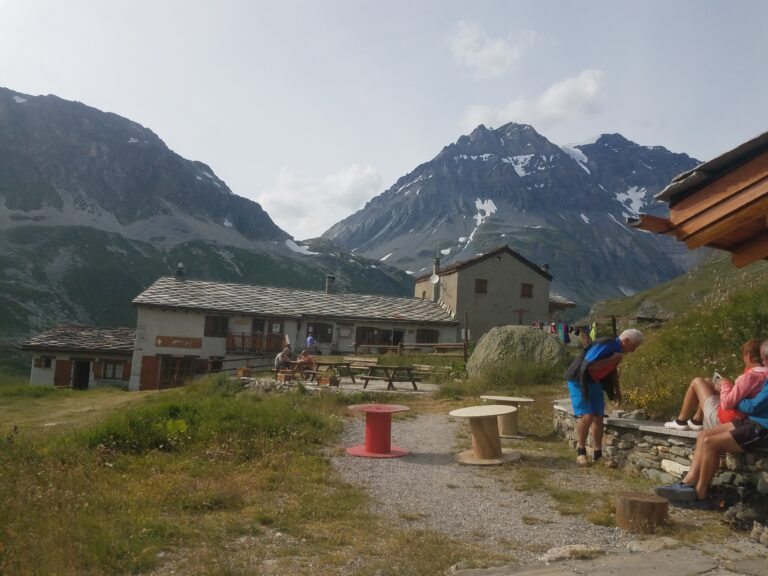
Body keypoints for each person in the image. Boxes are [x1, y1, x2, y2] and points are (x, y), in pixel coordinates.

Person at [654, 353, 768, 508]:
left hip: (761, 427)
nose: (763, 361)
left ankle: (701, 494)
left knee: (710, 443)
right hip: (750, 420)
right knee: (703, 435)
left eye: (765, 358)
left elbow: (754, 405)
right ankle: (688, 483)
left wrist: (738, 401)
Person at [564, 328, 644, 466]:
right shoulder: (606, 345)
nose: (634, 350)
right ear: (626, 341)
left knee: (598, 418)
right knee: (587, 416)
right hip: (579, 380)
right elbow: (588, 366)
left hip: (594, 382)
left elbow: (612, 372)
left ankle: (597, 455)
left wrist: (617, 393)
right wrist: (611, 359)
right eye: (634, 346)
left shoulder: (619, 351)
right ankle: (581, 453)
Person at [664, 339, 765, 431]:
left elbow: (727, 404)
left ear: (749, 356)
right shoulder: (763, 374)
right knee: (708, 381)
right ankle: (697, 420)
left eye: (743, 356)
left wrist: (725, 384)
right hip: (741, 417)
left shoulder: (749, 377)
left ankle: (680, 421)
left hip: (724, 419)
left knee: (697, 381)